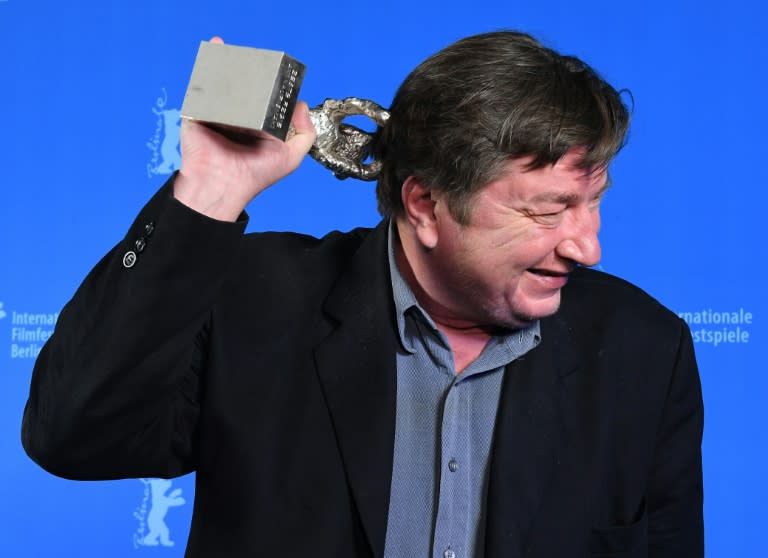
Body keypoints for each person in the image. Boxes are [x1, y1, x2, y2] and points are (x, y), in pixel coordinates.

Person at [22, 31, 703, 557]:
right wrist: (210, 193)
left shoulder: (646, 349)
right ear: (427, 204)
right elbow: (73, 436)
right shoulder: (251, 301)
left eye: (593, 204)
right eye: (548, 212)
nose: (587, 246)